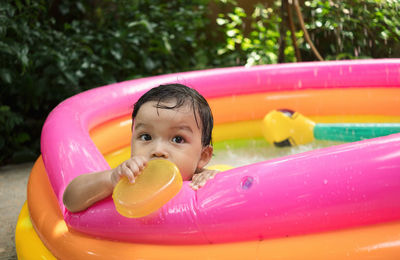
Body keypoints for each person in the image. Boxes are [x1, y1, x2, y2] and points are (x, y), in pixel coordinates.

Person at [63, 84, 218, 212]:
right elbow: (70, 200)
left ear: (203, 156)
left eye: (178, 139)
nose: (158, 150)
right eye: (146, 137)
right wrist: (110, 179)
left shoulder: (202, 180)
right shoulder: (127, 178)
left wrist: (214, 180)